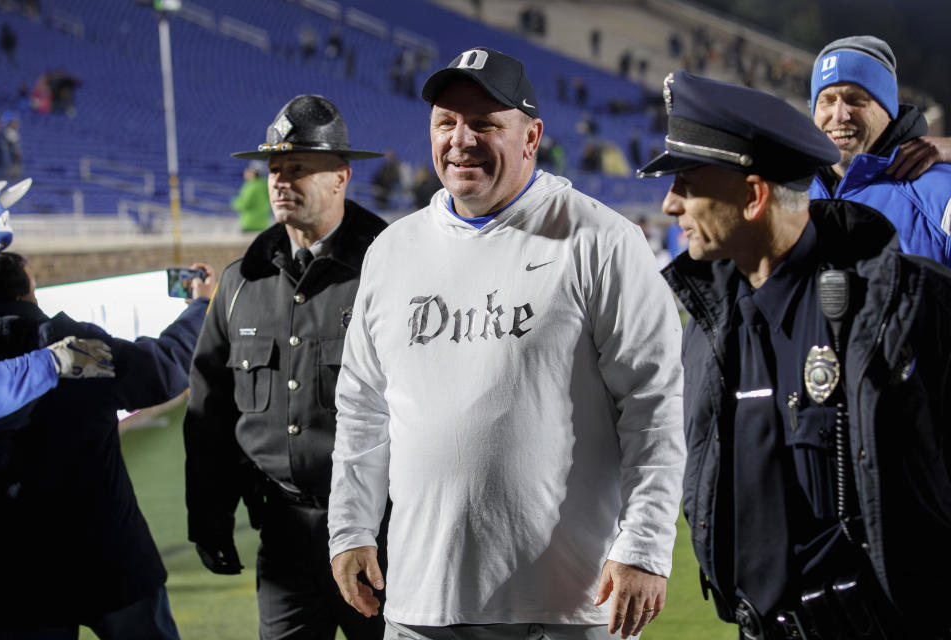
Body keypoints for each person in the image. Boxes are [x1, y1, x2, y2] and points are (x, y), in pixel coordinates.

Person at [328, 47, 685, 640]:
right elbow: (363, 407)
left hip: (565, 604)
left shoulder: (601, 240)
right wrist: (352, 528)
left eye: (485, 124)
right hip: (421, 603)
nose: (461, 139)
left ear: (531, 137)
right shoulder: (393, 251)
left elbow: (654, 404)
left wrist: (646, 544)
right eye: (446, 123)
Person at [638, 70, 951, 640]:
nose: (670, 203)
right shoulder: (705, 329)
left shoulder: (911, 306)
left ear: (755, 196)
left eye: (687, 182)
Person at [183, 94, 388, 640]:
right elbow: (210, 411)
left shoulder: (393, 269)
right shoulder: (239, 283)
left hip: (382, 533)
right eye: (274, 168)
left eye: (297, 168)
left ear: (342, 176)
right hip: (284, 535)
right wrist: (209, 516)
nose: (279, 180)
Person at [0, 251, 215, 638]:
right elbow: (165, 367)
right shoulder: (75, 343)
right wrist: (199, 307)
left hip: (13, 576)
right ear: (30, 287)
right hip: (111, 557)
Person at [808, 35, 951, 265]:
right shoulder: (786, 193)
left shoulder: (942, 195)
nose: (839, 115)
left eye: (855, 100)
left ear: (889, 109)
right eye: (827, 100)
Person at [232, 159, 272, 232]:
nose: (246, 172)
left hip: (250, 223)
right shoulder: (265, 184)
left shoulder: (251, 186)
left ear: (253, 173)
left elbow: (243, 204)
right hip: (262, 223)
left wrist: (234, 202)